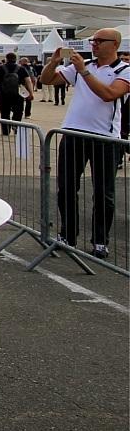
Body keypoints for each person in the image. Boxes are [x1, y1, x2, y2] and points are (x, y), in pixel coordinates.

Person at [38, 30, 130, 260]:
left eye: (100, 41)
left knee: (103, 192)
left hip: (104, 137)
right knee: (66, 188)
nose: (94, 45)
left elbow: (108, 94)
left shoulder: (123, 70)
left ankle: (100, 240)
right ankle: (67, 235)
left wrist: (84, 71)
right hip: (72, 132)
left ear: (114, 44)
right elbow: (46, 80)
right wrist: (53, 63)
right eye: (93, 41)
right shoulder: (84, 66)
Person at [0, 52, 32, 136]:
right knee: (18, 111)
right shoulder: (21, 68)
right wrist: (30, 92)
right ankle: (16, 126)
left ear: (6, 59)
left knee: (4, 111)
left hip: (3, 93)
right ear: (16, 59)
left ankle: (5, 130)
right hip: (18, 93)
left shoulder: (1, 68)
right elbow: (28, 81)